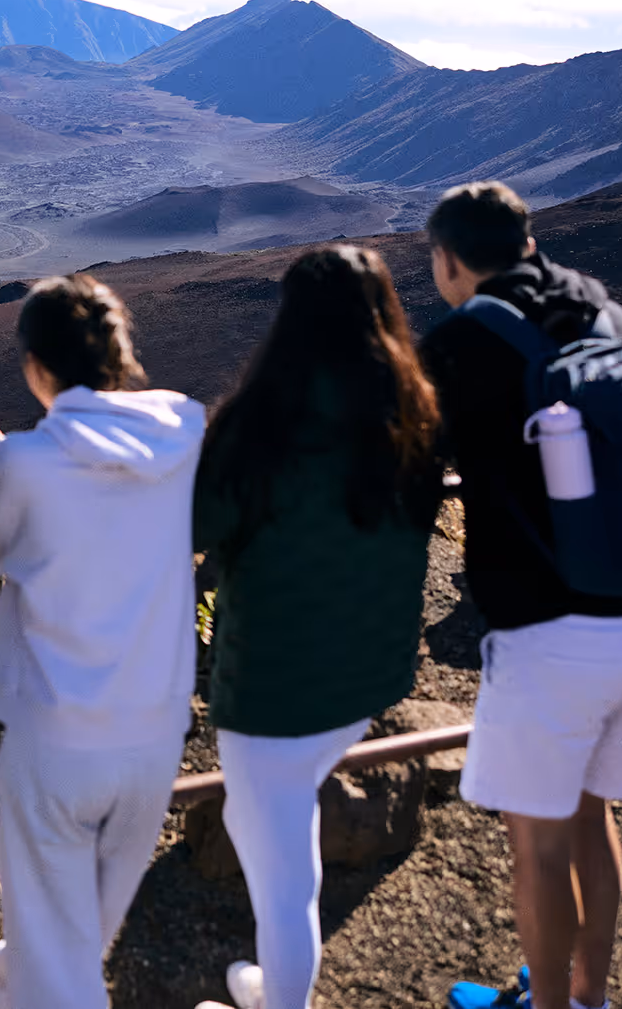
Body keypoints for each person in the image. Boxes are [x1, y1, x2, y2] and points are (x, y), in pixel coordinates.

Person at [421, 183, 622, 1009]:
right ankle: (585, 998)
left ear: (450, 260)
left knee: (537, 843)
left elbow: (410, 469)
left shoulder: (467, 343)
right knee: (590, 813)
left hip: (559, 632)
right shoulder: (602, 310)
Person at [0, 273, 206, 1009]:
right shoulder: (183, 429)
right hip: (155, 725)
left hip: (58, 736)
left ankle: (14, 989)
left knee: (62, 957)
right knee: (88, 923)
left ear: (36, 365)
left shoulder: (26, 463)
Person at [187, 244, 446, 1009]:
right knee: (278, 826)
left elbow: (192, 524)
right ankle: (275, 983)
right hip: (367, 672)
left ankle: (284, 1000)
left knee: (283, 876)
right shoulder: (414, 414)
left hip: (273, 686)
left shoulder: (259, 429)